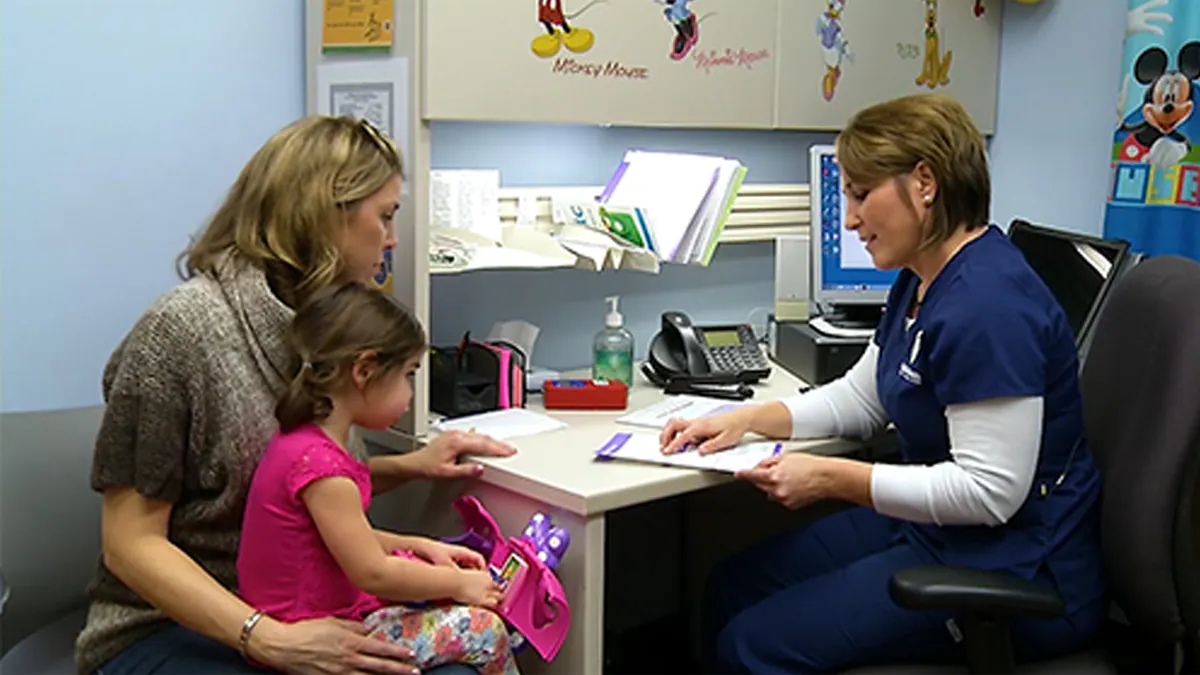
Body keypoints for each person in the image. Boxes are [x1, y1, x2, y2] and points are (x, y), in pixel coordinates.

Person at [660, 93, 1107, 673]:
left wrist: (830, 477)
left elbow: (988, 493)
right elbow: (861, 398)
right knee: (730, 586)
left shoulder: (989, 306)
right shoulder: (923, 277)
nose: (848, 218)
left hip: (1016, 566)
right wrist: (745, 420)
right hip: (938, 533)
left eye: (861, 194)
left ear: (925, 182)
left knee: (752, 644)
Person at [76, 116, 515, 675]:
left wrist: (412, 468)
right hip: (172, 627)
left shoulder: (326, 326)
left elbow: (296, 486)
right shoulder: (181, 331)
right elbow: (130, 544)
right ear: (325, 215)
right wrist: (266, 639)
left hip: (298, 605)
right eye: (385, 216)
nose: (393, 238)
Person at [238, 281, 519, 675]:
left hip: (311, 614)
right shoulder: (323, 469)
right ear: (364, 371)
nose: (410, 391)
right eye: (408, 374)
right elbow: (374, 572)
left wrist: (419, 546)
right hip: (314, 639)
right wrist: (455, 585)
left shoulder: (300, 442)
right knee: (486, 628)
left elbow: (344, 537)